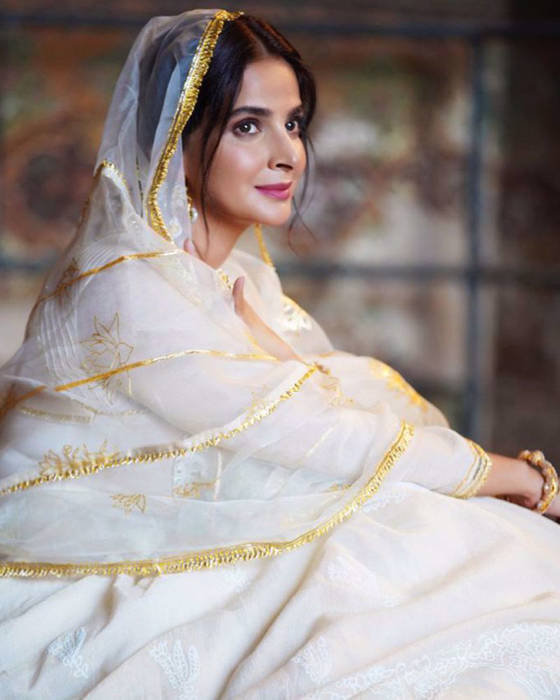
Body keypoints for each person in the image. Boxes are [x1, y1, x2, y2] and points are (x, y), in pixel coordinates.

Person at [0, 9, 559, 698]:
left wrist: (290, 370)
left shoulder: (234, 280)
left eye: (292, 123)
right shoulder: (127, 287)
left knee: (471, 559)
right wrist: (512, 475)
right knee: (438, 566)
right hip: (94, 560)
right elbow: (313, 434)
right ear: (176, 141)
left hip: (207, 522)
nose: (287, 153)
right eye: (248, 126)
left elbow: (322, 407)